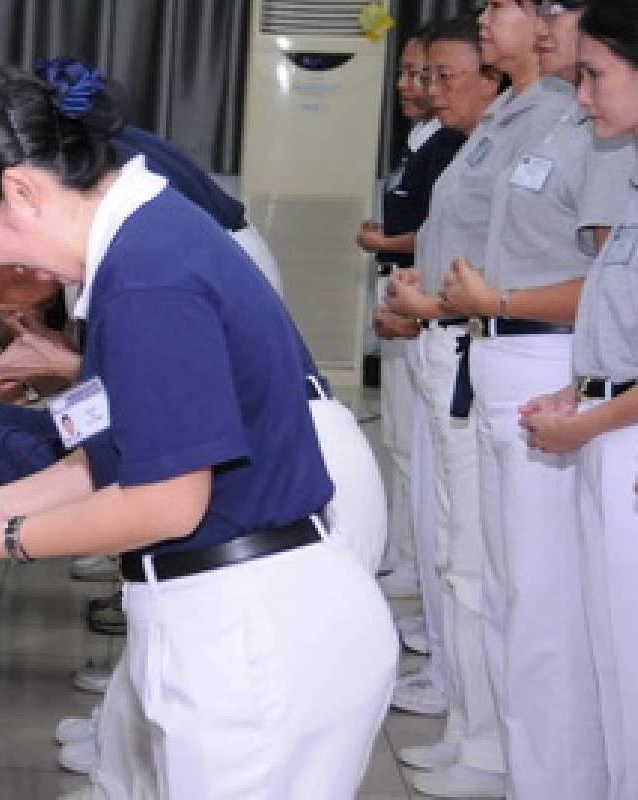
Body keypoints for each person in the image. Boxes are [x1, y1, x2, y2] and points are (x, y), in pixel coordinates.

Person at [0, 64, 397, 799]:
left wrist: (1, 542)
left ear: (22, 191)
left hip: (251, 633)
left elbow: (166, 501)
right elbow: (120, 452)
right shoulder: (139, 241)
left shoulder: (146, 275)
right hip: (238, 615)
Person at [437, 0, 632, 796]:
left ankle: (551, 779)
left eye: (596, 72)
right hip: (565, 376)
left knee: (567, 616)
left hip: (574, 374)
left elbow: (599, 281)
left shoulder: (596, 136)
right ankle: (535, 772)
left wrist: (502, 296)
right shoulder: (535, 113)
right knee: (526, 593)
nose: (584, 91)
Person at [380, 14, 509, 796]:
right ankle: (472, 727)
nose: (430, 90)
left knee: (476, 560)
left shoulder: (534, 127)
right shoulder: (476, 139)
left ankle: (489, 740)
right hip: (452, 337)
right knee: (450, 541)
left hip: (493, 345)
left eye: (447, 75)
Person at [518, 1, 638, 796]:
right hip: (608, 422)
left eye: (595, 76)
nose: (583, 96)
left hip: (622, 432)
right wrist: (578, 388)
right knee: (612, 660)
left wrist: (592, 417)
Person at [361, 30, 465, 606]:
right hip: (410, 294)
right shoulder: (424, 139)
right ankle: (407, 556)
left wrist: (391, 241)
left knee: (424, 457)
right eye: (409, 74)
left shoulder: (451, 143)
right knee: (405, 446)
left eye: (427, 75)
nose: (412, 86)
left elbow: (439, 233)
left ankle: (415, 566)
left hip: (437, 310)